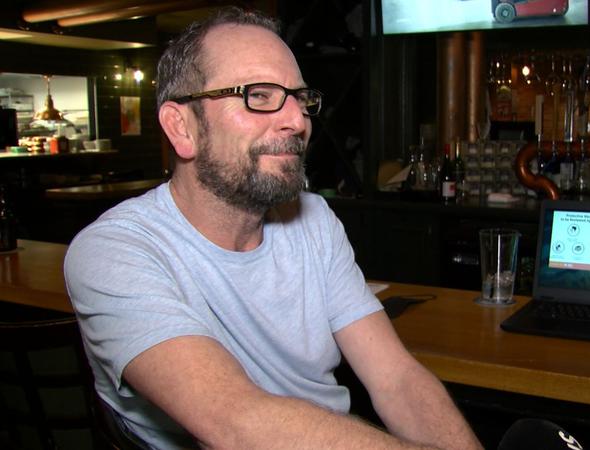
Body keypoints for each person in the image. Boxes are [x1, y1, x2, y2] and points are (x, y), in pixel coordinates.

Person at [64, 6, 482, 450]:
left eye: (300, 99)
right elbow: (237, 423)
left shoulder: (314, 219)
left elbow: (395, 377)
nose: (298, 121)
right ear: (181, 127)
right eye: (258, 96)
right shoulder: (113, 250)